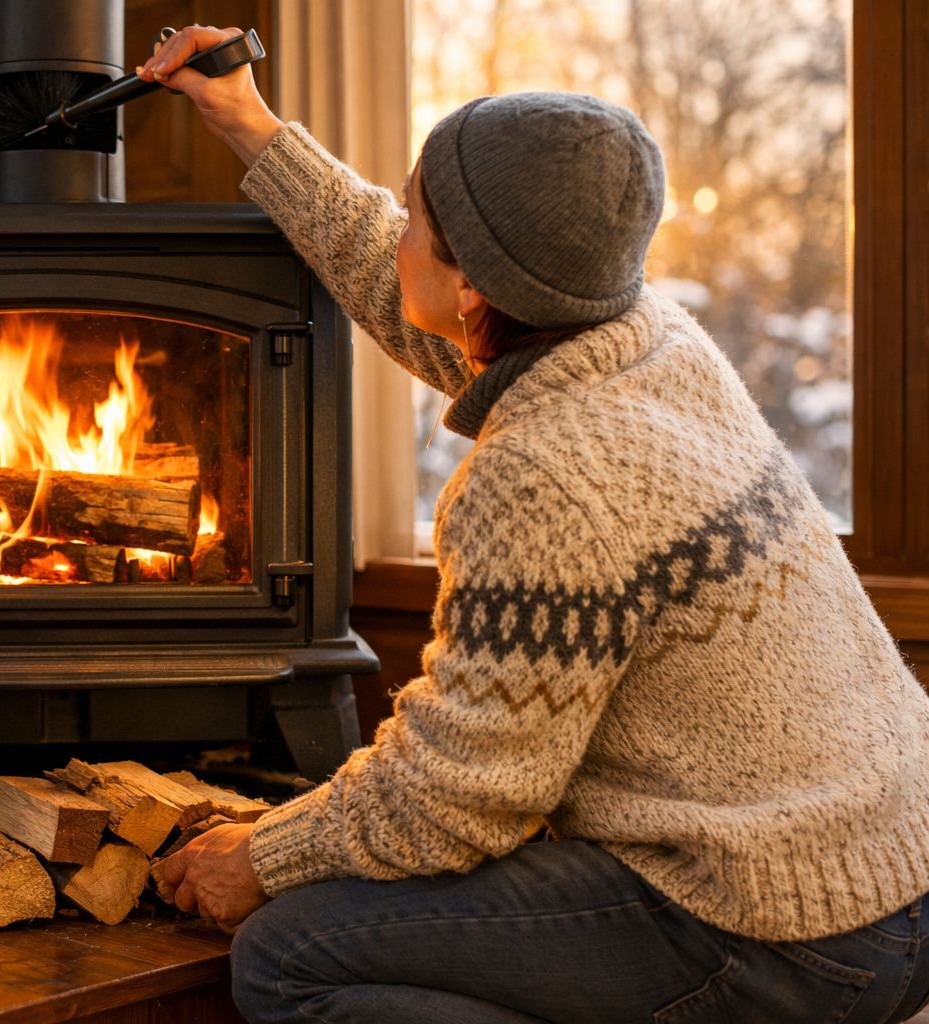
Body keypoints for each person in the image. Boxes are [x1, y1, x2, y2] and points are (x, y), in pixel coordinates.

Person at [141, 25, 929, 1024]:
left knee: (288, 956)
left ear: (474, 285)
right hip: (892, 868)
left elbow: (458, 796)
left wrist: (265, 855)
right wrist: (247, 121)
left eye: (416, 217)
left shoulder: (539, 474)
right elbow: (398, 282)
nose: (398, 235)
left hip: (781, 929)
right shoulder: (643, 338)